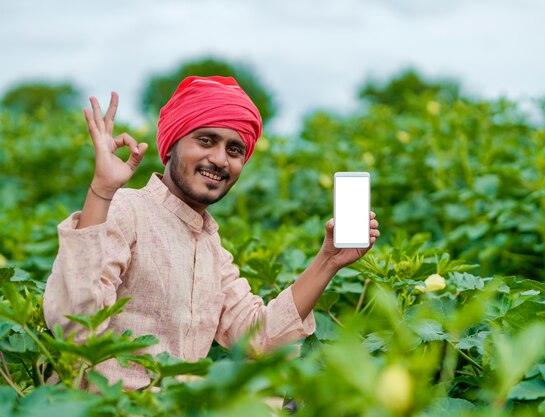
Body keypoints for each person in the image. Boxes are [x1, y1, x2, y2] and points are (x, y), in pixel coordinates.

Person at [43, 76, 380, 390]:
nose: (219, 159)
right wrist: (101, 191)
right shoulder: (127, 210)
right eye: (206, 140)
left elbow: (258, 339)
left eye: (234, 150)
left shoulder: (210, 246)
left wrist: (328, 260)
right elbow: (74, 328)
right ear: (172, 145)